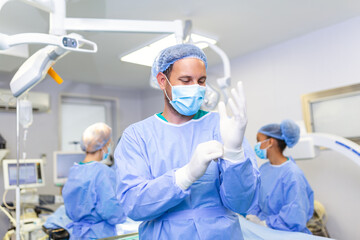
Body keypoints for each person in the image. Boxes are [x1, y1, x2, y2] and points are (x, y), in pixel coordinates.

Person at [115, 43, 260, 240]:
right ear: (161, 80)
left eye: (201, 81)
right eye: (185, 80)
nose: (195, 88)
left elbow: (242, 204)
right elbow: (134, 205)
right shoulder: (137, 136)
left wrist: (234, 154)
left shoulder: (222, 126)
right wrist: (185, 176)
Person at [246, 119, 314, 234]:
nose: (256, 145)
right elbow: (257, 199)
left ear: (270, 142)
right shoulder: (264, 169)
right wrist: (252, 215)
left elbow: (295, 216)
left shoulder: (292, 174)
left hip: (287, 233)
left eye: (259, 141)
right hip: (266, 231)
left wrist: (266, 223)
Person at [62, 122, 125, 239]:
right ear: (103, 146)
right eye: (109, 144)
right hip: (99, 234)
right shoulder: (102, 172)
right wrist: (124, 215)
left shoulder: (74, 170)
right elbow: (112, 211)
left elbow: (69, 208)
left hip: (77, 235)